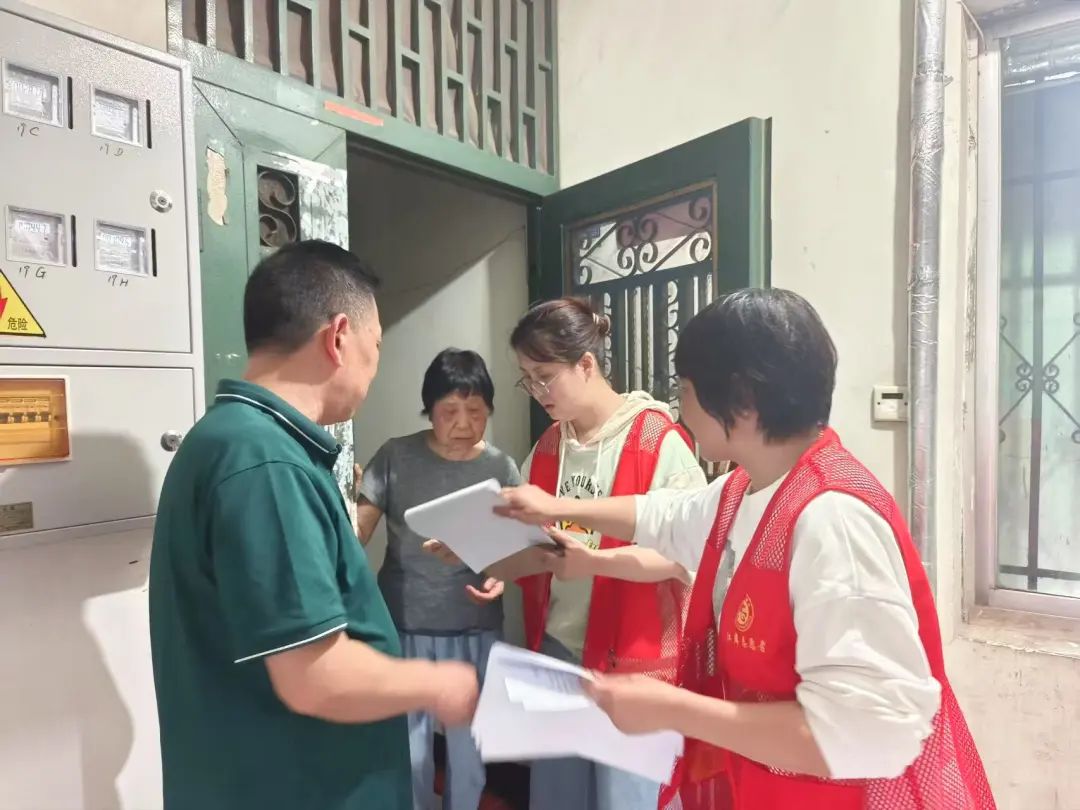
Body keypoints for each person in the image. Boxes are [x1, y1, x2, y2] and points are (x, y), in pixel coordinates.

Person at [494, 288, 996, 810]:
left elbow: (872, 731)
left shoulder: (833, 518)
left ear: (742, 401)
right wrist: (555, 508)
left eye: (686, 390)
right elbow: (665, 515)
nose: (680, 408)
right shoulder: (745, 489)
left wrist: (675, 709)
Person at [149, 241, 478, 810]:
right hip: (298, 786)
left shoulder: (230, 440)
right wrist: (441, 683)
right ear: (339, 337)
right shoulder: (265, 460)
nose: (374, 369)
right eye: (376, 347)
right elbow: (315, 675)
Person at [432, 297, 707, 810]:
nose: (538, 392)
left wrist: (596, 562)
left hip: (633, 658)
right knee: (557, 796)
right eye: (527, 380)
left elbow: (684, 557)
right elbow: (538, 546)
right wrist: (485, 558)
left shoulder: (656, 439)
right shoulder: (549, 448)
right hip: (559, 650)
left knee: (625, 799)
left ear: (585, 363)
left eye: (545, 377)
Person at [355, 348, 522, 810]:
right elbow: (357, 532)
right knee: (409, 753)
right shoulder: (395, 456)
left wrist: (502, 577)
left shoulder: (501, 468)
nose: (464, 424)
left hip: (474, 628)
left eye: (476, 412)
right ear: (429, 410)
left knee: (470, 754)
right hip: (404, 625)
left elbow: (516, 549)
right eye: (450, 412)